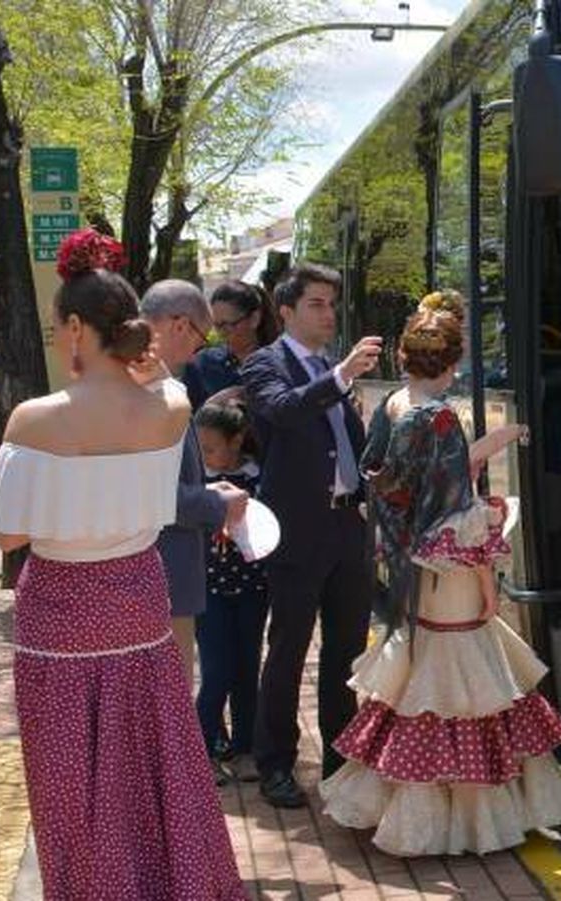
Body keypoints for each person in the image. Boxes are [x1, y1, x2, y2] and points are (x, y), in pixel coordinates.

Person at [0, 229, 245, 899]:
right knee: (155, 762)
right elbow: (163, 385)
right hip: (138, 598)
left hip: (62, 611)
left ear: (75, 327)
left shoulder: (35, 419)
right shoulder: (171, 409)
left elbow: (8, 536)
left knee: (70, 778)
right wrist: (147, 367)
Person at [319, 290, 561, 857]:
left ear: (403, 359)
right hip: (451, 570)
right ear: (456, 363)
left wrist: (479, 452)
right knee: (466, 688)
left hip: (412, 558)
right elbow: (459, 509)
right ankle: (468, 818)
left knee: (424, 685)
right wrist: (488, 585)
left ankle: (415, 809)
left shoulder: (392, 405)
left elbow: (390, 479)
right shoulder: (438, 417)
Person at [240, 262, 382, 809]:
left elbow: (346, 448)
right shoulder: (265, 365)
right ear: (287, 311)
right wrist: (341, 377)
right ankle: (275, 761)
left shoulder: (326, 366)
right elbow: (281, 412)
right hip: (298, 532)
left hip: (349, 528)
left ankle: (340, 762)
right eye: (317, 304)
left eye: (331, 305)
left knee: (347, 652)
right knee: (289, 650)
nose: (328, 314)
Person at [141, 280, 249, 689]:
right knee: (168, 705)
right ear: (180, 326)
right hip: (161, 576)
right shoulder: (156, 392)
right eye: (201, 340)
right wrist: (216, 503)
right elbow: (154, 495)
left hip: (152, 577)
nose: (197, 353)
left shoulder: (134, 387)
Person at [194, 392, 268, 784]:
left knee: (246, 669)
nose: (204, 455)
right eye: (199, 447)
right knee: (216, 670)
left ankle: (244, 750)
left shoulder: (258, 476)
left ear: (237, 440)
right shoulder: (198, 482)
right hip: (209, 590)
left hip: (253, 587)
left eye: (211, 447)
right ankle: (200, 751)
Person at [184, 281, 280, 409]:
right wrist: (212, 407)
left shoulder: (282, 362)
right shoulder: (203, 364)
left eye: (227, 325)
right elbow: (185, 421)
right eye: (217, 326)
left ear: (254, 319)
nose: (221, 334)